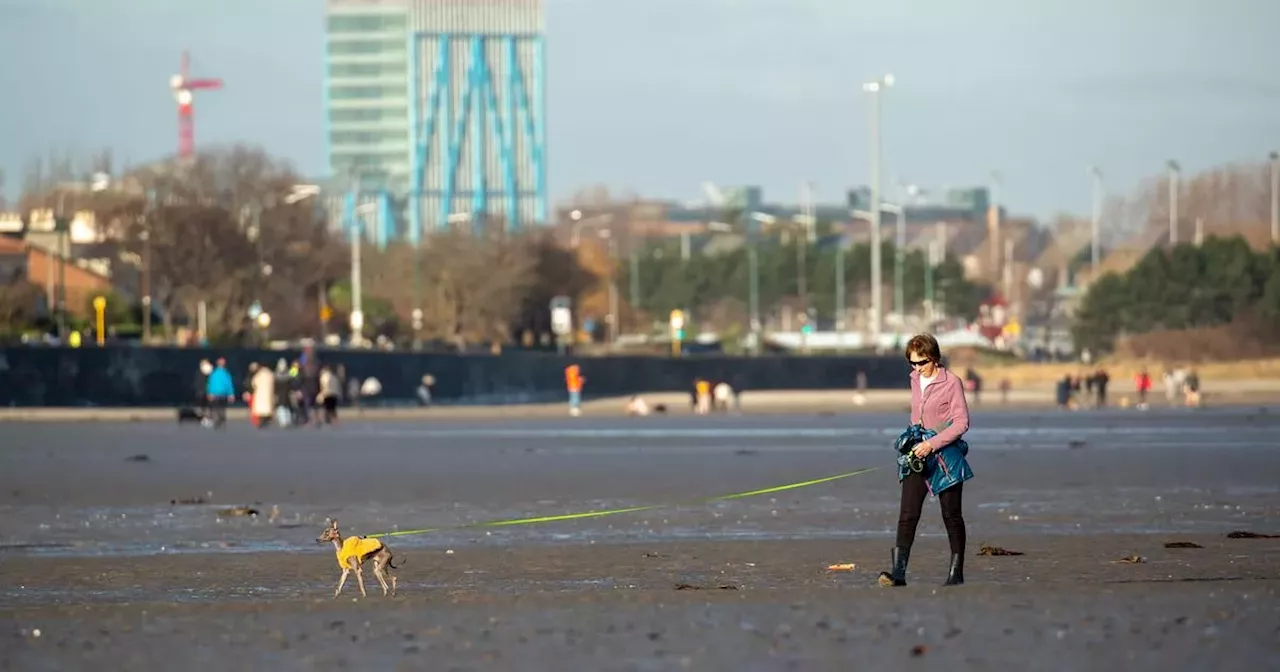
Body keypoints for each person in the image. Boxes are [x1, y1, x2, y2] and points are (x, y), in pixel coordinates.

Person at [879, 333, 972, 588]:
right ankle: (898, 573)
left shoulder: (951, 382)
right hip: (917, 454)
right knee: (907, 514)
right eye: (912, 363)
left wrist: (932, 443)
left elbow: (962, 423)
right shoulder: (914, 379)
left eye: (921, 362)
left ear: (934, 358)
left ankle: (956, 572)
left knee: (951, 515)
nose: (917, 368)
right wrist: (913, 443)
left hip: (945, 455)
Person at [204, 358, 235, 430]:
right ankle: (221, 419)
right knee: (222, 408)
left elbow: (210, 384)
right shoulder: (226, 373)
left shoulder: (214, 373)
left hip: (216, 393)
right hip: (223, 393)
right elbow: (229, 384)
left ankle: (219, 419)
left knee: (217, 407)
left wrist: (210, 393)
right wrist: (231, 394)